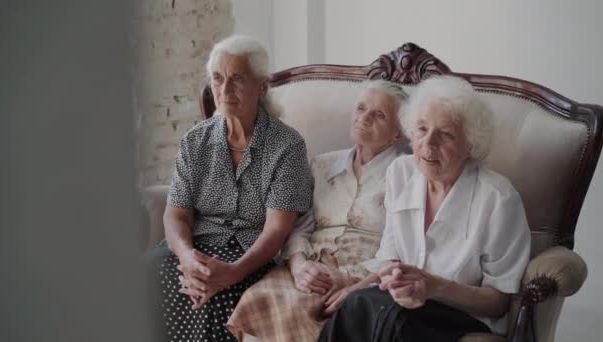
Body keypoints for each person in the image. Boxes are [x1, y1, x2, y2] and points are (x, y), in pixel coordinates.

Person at [318, 75, 531, 341]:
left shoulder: (499, 199)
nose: (428, 144)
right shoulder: (401, 172)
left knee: (392, 319)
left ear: (470, 145)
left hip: (460, 315)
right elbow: (390, 258)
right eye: (421, 129)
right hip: (399, 304)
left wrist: (434, 287)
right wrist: (356, 290)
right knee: (360, 305)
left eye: (446, 134)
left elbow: (499, 302)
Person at [156, 35, 313, 342]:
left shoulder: (288, 146)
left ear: (262, 87)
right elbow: (175, 216)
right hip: (195, 253)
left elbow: (276, 231)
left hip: (249, 257)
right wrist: (188, 259)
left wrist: (231, 273)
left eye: (237, 79)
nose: (224, 91)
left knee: (219, 301)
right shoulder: (194, 141)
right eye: (217, 79)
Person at [226, 80, 409, 341]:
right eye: (361, 108)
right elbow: (300, 226)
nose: (364, 118)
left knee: (305, 313)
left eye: (379, 115)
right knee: (260, 298)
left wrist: (359, 290)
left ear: (398, 133)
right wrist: (299, 267)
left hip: (364, 277)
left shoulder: (407, 174)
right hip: (311, 268)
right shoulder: (322, 165)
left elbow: (405, 247)